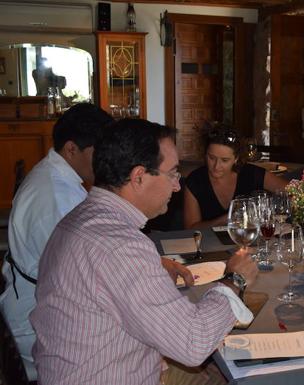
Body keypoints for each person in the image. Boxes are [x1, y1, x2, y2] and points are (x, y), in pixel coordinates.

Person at [30, 118, 258, 384]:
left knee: (217, 373)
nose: (177, 185)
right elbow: (193, 343)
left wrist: (153, 265)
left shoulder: (80, 219)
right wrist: (233, 280)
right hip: (105, 375)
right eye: (173, 173)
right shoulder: (121, 247)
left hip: (85, 363)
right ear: (138, 177)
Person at [0, 103, 113, 381]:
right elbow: (81, 279)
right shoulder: (54, 197)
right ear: (72, 149)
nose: (104, 163)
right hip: (37, 322)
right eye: (98, 154)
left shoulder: (59, 177)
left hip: (39, 299)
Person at [184, 122, 287, 228]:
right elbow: (190, 228)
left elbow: (295, 191)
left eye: (225, 160)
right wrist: (229, 218)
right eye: (212, 158)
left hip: (252, 241)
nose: (216, 166)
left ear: (236, 158)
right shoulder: (195, 181)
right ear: (205, 154)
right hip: (207, 243)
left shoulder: (252, 174)